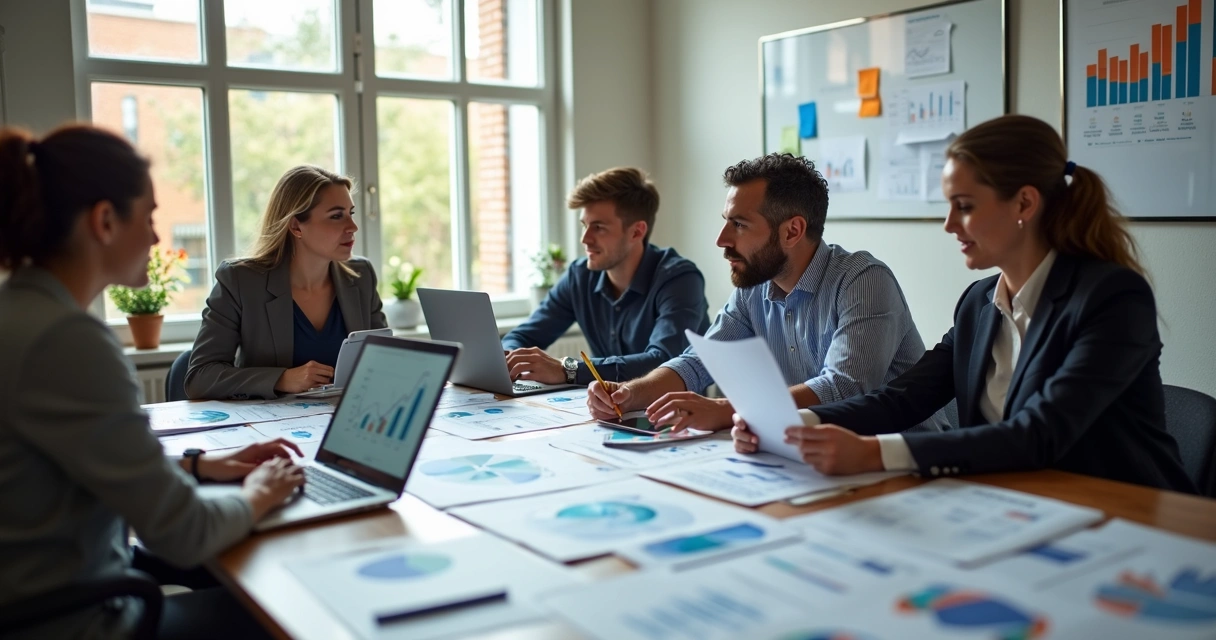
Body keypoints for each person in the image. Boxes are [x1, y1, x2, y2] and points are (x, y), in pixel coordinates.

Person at [732, 115, 1195, 493]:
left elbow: (1039, 434)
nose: (950, 225)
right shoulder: (979, 303)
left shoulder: (1112, 298)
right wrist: (789, 421)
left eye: (965, 206)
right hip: (1019, 506)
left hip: (1129, 515)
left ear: (1025, 203)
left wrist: (875, 452)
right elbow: (903, 397)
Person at [0, 124, 306, 639]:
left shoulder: (21, 314)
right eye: (150, 217)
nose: (157, 237)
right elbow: (184, 535)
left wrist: (199, 465)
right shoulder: (67, 341)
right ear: (104, 221)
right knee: (291, 611)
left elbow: (82, 461)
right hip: (78, 622)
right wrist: (259, 492)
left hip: (44, 594)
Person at [588, 153, 946, 433]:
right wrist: (630, 392)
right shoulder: (753, 286)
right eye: (726, 220)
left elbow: (844, 388)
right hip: (814, 449)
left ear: (792, 231)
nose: (721, 240)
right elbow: (700, 363)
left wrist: (728, 412)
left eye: (739, 225)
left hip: (909, 456)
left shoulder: (863, 280)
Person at [186, 165, 387, 400]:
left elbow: (385, 361)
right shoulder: (240, 281)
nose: (353, 227)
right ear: (295, 226)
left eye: (350, 214)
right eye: (336, 216)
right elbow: (199, 378)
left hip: (347, 420)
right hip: (272, 429)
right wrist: (282, 379)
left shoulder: (361, 275)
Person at [502, 167, 710, 384]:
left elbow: (662, 361)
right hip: (602, 408)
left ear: (637, 232)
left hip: (673, 413)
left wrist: (568, 370)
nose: (585, 239)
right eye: (584, 225)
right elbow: (521, 337)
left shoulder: (680, 279)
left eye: (598, 227)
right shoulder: (579, 277)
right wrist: (512, 359)